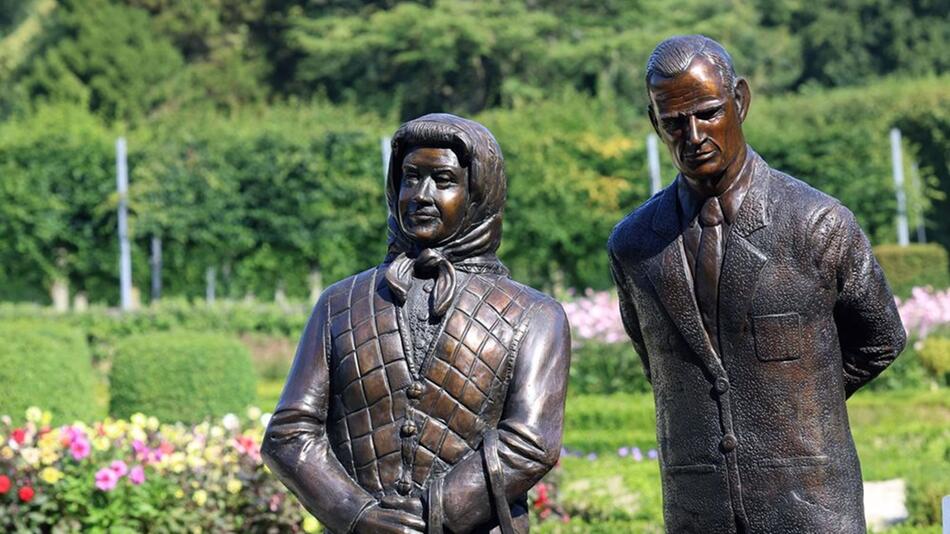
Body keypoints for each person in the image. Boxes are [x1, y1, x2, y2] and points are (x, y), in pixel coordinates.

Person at [607, 35, 906, 533]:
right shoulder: (635, 245)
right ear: (653, 122)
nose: (694, 135)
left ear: (740, 101)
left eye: (708, 112)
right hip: (697, 507)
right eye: (674, 122)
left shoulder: (816, 223)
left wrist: (797, 403)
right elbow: (657, 364)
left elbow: (881, 339)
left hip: (810, 504)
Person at [262, 113, 570, 534]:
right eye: (411, 177)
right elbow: (289, 433)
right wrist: (356, 514)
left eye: (443, 180)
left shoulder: (535, 315)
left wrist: (432, 516)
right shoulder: (337, 304)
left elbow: (531, 443)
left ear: (479, 192)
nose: (421, 195)